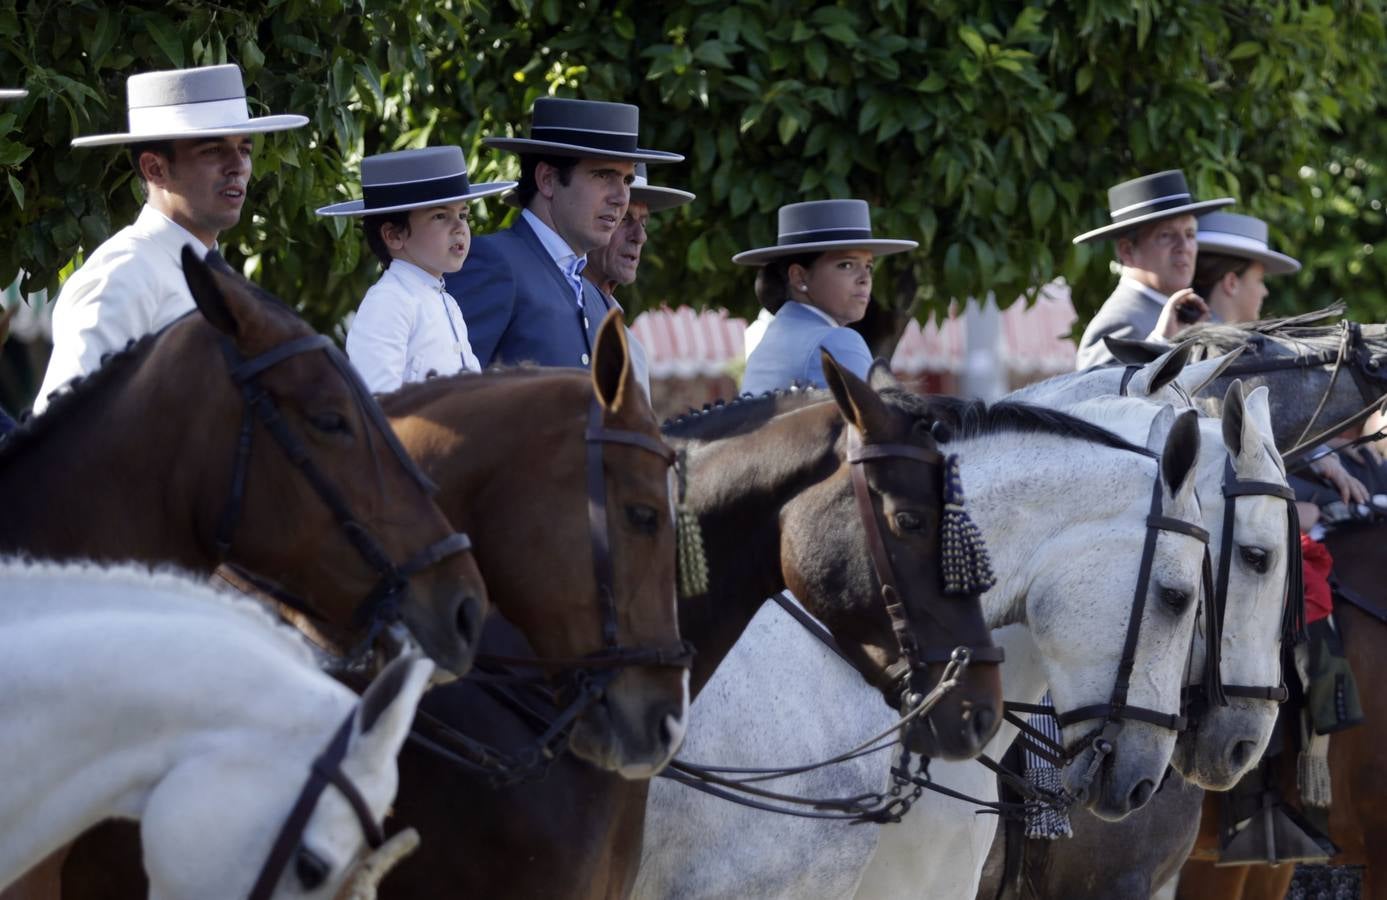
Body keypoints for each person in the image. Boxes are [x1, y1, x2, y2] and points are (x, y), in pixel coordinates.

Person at [33, 64, 305, 414]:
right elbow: (64, 430)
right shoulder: (125, 272)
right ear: (155, 169)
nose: (238, 165)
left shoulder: (221, 276)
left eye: (245, 149)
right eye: (212, 151)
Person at [444, 97, 682, 371]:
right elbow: (441, 398)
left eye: (627, 180)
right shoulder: (495, 263)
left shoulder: (596, 300)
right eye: (604, 176)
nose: (621, 197)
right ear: (547, 179)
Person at [316, 146, 514, 394]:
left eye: (463, 214)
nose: (459, 227)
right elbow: (378, 401)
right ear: (394, 235)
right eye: (440, 216)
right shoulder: (389, 300)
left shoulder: (447, 302)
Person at [738, 199, 916, 394]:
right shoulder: (835, 340)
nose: (865, 278)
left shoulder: (771, 340)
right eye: (846, 265)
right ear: (799, 277)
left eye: (868, 266)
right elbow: (874, 423)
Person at [1073, 169, 1234, 369]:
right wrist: (1160, 342)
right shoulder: (1118, 322)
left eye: (1190, 234)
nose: (1184, 246)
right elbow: (1096, 394)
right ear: (1127, 250)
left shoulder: (1192, 313)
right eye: (1166, 235)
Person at [581, 163, 694, 398]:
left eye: (644, 222)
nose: (640, 236)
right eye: (623, 219)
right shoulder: (558, 311)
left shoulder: (630, 344)